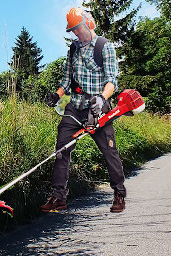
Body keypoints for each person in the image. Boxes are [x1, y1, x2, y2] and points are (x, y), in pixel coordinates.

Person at [41, 7, 126, 213]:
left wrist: (102, 98)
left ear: (88, 24)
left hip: (98, 107)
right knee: (61, 150)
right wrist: (57, 95)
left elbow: (112, 80)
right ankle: (59, 197)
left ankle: (119, 194)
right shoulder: (73, 48)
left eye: (77, 28)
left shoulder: (104, 46)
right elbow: (67, 79)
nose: (76, 33)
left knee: (109, 152)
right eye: (73, 30)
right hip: (76, 106)